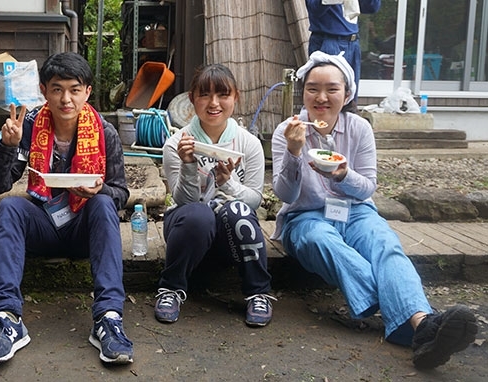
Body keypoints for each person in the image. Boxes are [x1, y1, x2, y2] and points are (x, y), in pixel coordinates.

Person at [270, 51, 478, 369]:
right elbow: (284, 194)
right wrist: (295, 152)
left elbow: (367, 188)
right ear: (303, 92)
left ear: (347, 93)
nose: (321, 97)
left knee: (386, 244)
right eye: (312, 88)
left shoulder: (359, 129)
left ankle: (423, 326)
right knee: (322, 241)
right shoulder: (289, 129)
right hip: (306, 216)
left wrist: (343, 175)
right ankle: (409, 318)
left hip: (355, 211)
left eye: (331, 89)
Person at [0, 52, 133, 366]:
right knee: (9, 207)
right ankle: (7, 318)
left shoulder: (105, 132)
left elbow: (120, 193)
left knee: (102, 203)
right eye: (57, 89)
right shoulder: (30, 127)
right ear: (44, 90)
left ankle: (109, 318)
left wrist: (99, 189)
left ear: (87, 92)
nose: (66, 99)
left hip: (84, 230)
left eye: (75, 89)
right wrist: (8, 146)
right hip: (43, 224)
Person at [154, 64, 274, 327]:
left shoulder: (249, 144)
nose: (214, 103)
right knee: (199, 214)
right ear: (192, 99)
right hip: (188, 229)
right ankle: (170, 288)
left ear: (235, 97)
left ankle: (258, 293)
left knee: (239, 211)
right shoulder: (177, 144)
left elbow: (254, 200)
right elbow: (183, 202)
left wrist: (228, 183)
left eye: (223, 95)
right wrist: (188, 164)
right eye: (205, 95)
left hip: (230, 235)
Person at [306, 0, 381, 101]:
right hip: (329, 41)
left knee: (350, 99)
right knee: (326, 97)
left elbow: (371, 7)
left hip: (352, 42)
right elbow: (315, 8)